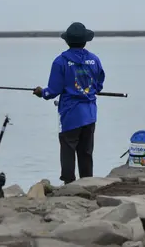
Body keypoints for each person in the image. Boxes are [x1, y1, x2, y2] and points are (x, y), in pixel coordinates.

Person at [33, 22, 105, 184]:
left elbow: (52, 91)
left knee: (68, 148)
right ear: (86, 41)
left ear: (67, 41)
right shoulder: (95, 60)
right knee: (86, 151)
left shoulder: (60, 62)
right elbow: (99, 85)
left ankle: (69, 183)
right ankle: (87, 182)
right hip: (90, 114)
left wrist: (41, 93)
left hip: (70, 115)